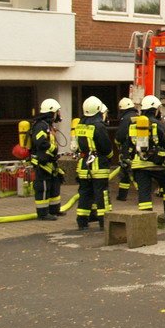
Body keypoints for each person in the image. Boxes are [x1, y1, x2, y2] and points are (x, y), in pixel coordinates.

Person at [131, 94, 165, 224]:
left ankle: (145, 222)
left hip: (139, 164)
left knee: (144, 192)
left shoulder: (134, 124)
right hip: (157, 164)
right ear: (155, 109)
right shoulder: (158, 124)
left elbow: (128, 143)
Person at [75, 96, 113, 230]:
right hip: (98, 166)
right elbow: (106, 147)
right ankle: (104, 222)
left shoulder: (79, 125)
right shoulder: (99, 126)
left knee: (85, 193)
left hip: (83, 165)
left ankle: (82, 222)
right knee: (101, 194)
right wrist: (109, 156)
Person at [30, 98, 64, 221]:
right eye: (57, 112)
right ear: (51, 112)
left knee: (54, 185)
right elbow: (40, 142)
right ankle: (43, 213)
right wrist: (53, 149)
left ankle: (54, 210)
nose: (58, 114)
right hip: (42, 163)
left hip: (50, 162)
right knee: (43, 187)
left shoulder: (48, 125)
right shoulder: (40, 126)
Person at [114, 97, 138, 202]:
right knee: (130, 174)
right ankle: (122, 195)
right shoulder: (138, 117)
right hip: (138, 150)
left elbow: (120, 135)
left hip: (128, 150)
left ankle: (123, 196)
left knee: (127, 174)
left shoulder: (126, 118)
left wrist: (118, 143)